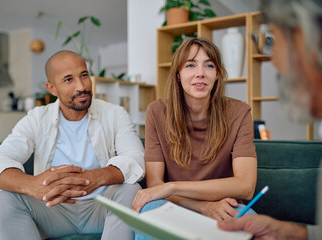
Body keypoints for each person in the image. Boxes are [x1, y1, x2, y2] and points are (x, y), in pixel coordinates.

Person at [0, 50, 145, 240]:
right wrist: (33, 185)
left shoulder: (115, 114)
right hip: (52, 210)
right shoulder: (36, 118)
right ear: (52, 88)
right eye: (68, 80)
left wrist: (98, 177)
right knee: (1, 196)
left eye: (84, 75)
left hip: (101, 207)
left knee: (130, 189)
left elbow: (136, 159)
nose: (81, 86)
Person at [217, 0, 322, 239]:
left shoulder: (238, 113)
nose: (273, 60)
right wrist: (290, 232)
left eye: (275, 40)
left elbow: (244, 185)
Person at [131, 38, 258, 226]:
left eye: (209, 66)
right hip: (174, 204)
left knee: (251, 220)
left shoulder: (239, 112)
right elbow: (155, 185)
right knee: (149, 209)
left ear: (217, 75)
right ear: (178, 74)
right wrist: (203, 207)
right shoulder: (156, 112)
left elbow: (246, 186)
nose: (200, 74)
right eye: (190, 65)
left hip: (223, 207)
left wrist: (172, 186)